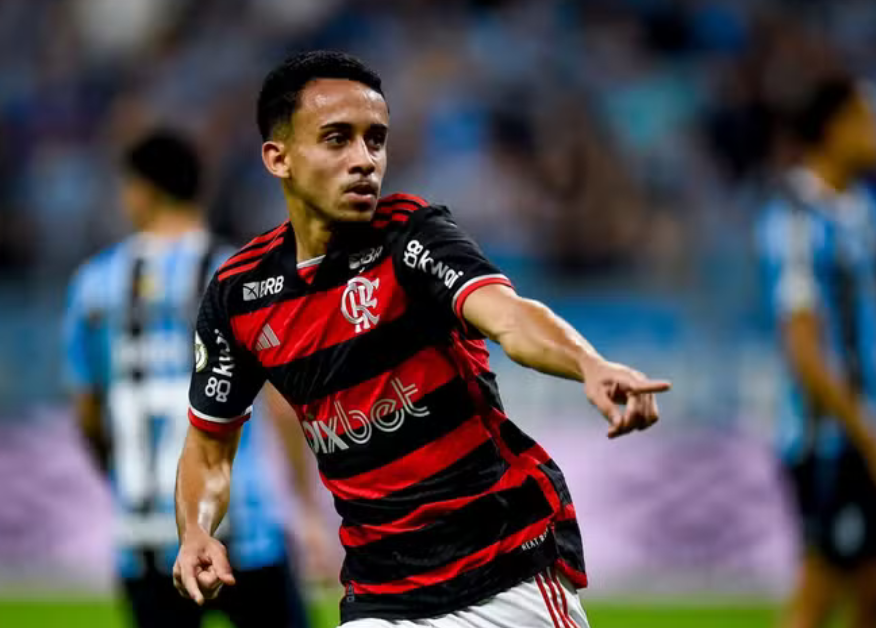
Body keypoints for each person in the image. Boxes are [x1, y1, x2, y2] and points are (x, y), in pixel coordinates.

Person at [173, 51, 670, 627]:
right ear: (278, 157)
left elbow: (508, 317)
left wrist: (588, 363)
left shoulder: (411, 237)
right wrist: (196, 532)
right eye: (337, 139)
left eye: (375, 140)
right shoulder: (241, 294)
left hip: (503, 571)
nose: (364, 160)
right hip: (381, 592)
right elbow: (210, 449)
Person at [63, 129, 323, 628]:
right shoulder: (241, 275)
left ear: (141, 190)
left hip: (145, 532)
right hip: (244, 526)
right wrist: (305, 505)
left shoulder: (94, 286)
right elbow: (281, 404)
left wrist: (120, 477)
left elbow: (88, 413)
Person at [756, 77, 876, 628]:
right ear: (835, 128)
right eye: (870, 120)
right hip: (823, 439)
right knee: (818, 598)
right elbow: (803, 351)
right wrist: (871, 436)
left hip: (868, 432)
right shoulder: (797, 218)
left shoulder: (864, 213)